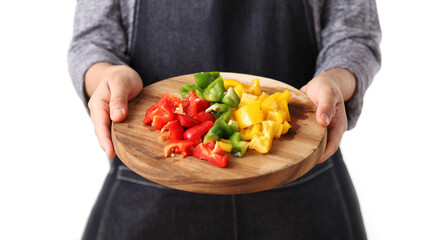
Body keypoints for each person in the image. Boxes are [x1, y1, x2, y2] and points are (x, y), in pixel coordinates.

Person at [68, 0, 381, 239]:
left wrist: (335, 81)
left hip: (303, 187)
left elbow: (354, 34)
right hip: (148, 191)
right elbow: (93, 40)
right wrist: (107, 75)